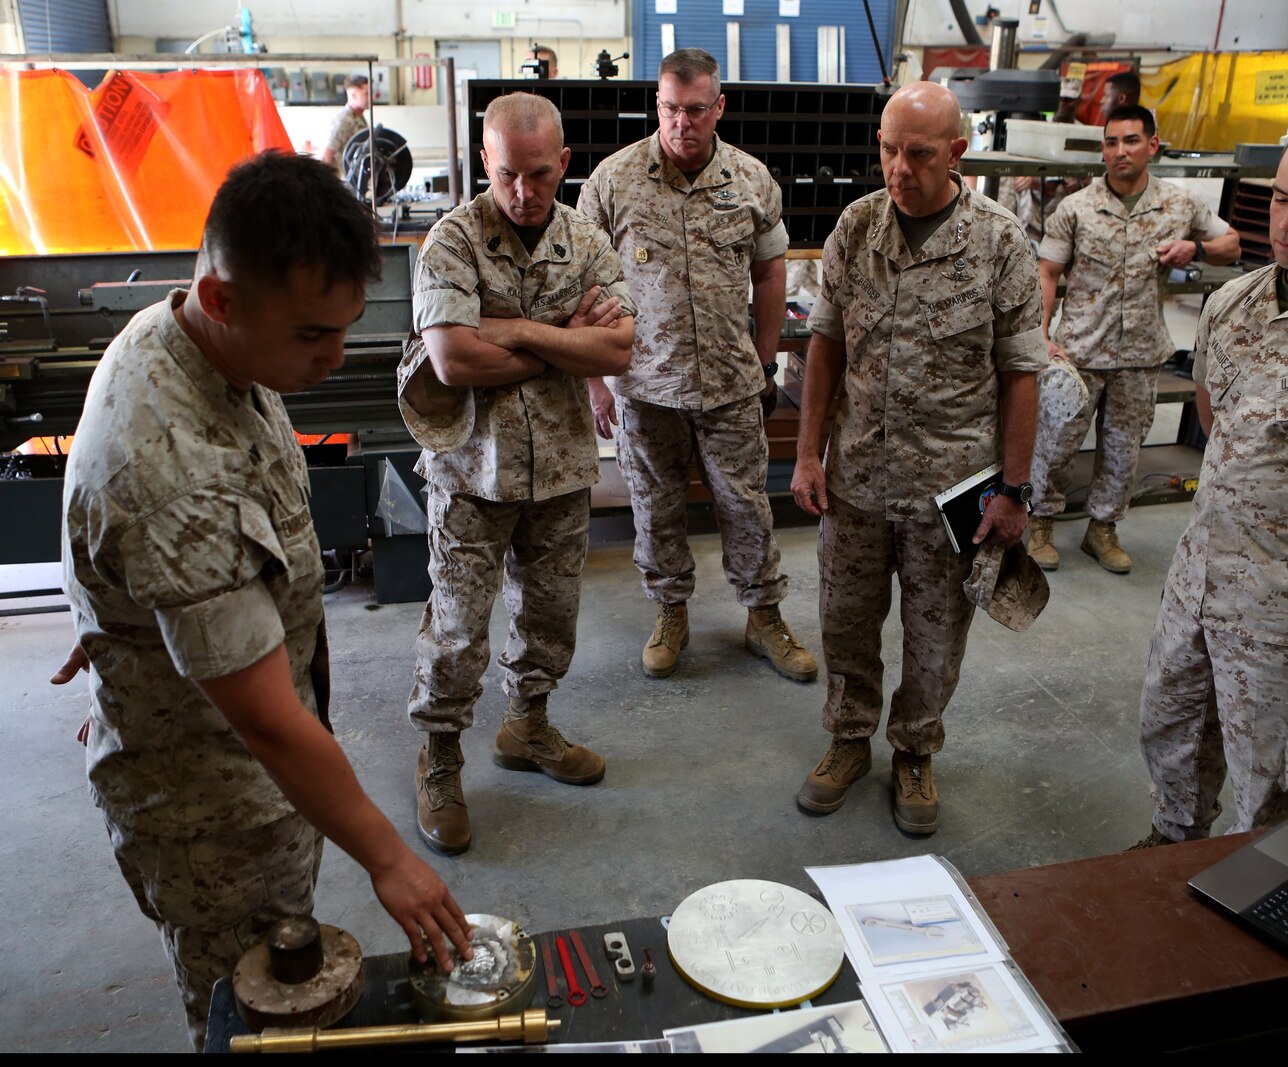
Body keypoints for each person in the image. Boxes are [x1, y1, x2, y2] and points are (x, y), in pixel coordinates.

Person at [52, 151, 473, 1051]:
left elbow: (133, 541)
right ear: (223, 300)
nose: (335, 356)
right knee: (249, 1007)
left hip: (243, 754)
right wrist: (392, 861)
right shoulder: (169, 469)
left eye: (346, 329)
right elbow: (272, 725)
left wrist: (120, 621)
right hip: (214, 807)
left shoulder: (203, 345)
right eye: (314, 335)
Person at [790, 82, 1046, 835]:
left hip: (955, 485)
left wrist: (1015, 489)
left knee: (936, 634)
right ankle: (846, 738)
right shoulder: (857, 227)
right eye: (888, 149)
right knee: (845, 620)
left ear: (957, 153)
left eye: (919, 154)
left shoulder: (999, 242)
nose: (898, 168)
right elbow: (825, 349)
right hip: (859, 476)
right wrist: (808, 454)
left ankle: (915, 749)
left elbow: (1020, 374)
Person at [401, 92, 636, 857]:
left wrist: (522, 331)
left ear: (564, 163)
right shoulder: (451, 242)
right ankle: (438, 757)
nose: (525, 193)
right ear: (484, 161)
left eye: (540, 175)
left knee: (550, 615)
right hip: (472, 472)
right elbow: (454, 358)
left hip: (561, 470)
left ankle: (526, 725)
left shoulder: (587, 242)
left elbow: (619, 350)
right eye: (508, 176)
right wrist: (564, 341)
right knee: (459, 627)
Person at [577, 48, 818, 684]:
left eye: (694, 110)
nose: (681, 123)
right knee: (655, 507)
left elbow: (770, 273)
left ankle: (763, 615)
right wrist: (597, 384)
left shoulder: (750, 179)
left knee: (746, 506)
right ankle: (670, 612)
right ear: (657, 105)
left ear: (718, 107)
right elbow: (577, 289)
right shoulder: (612, 180)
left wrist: (766, 364)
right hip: (644, 387)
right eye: (669, 109)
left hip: (730, 385)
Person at [1132, 146, 1288, 849]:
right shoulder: (1232, 304)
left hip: (1276, 601)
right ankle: (1174, 843)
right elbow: (1215, 420)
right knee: (1172, 722)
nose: (1286, 221)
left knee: (1270, 771)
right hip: (1200, 573)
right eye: (1283, 200)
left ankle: (1264, 887)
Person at [1027, 105, 1240, 574]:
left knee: (1124, 448)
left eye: (1130, 140)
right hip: (1079, 349)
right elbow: (1047, 272)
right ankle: (1040, 521)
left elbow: (1233, 245)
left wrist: (1195, 248)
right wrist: (1041, 337)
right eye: (1111, 142)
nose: (1120, 151)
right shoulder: (1077, 207)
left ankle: (1102, 529)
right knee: (1056, 442)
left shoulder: (1180, 205)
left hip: (1141, 353)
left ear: (1152, 145)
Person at [321, 73, 369, 174]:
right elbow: (326, 157)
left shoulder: (359, 118)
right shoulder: (343, 120)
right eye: (366, 93)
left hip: (354, 181)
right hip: (342, 182)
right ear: (353, 95)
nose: (371, 97)